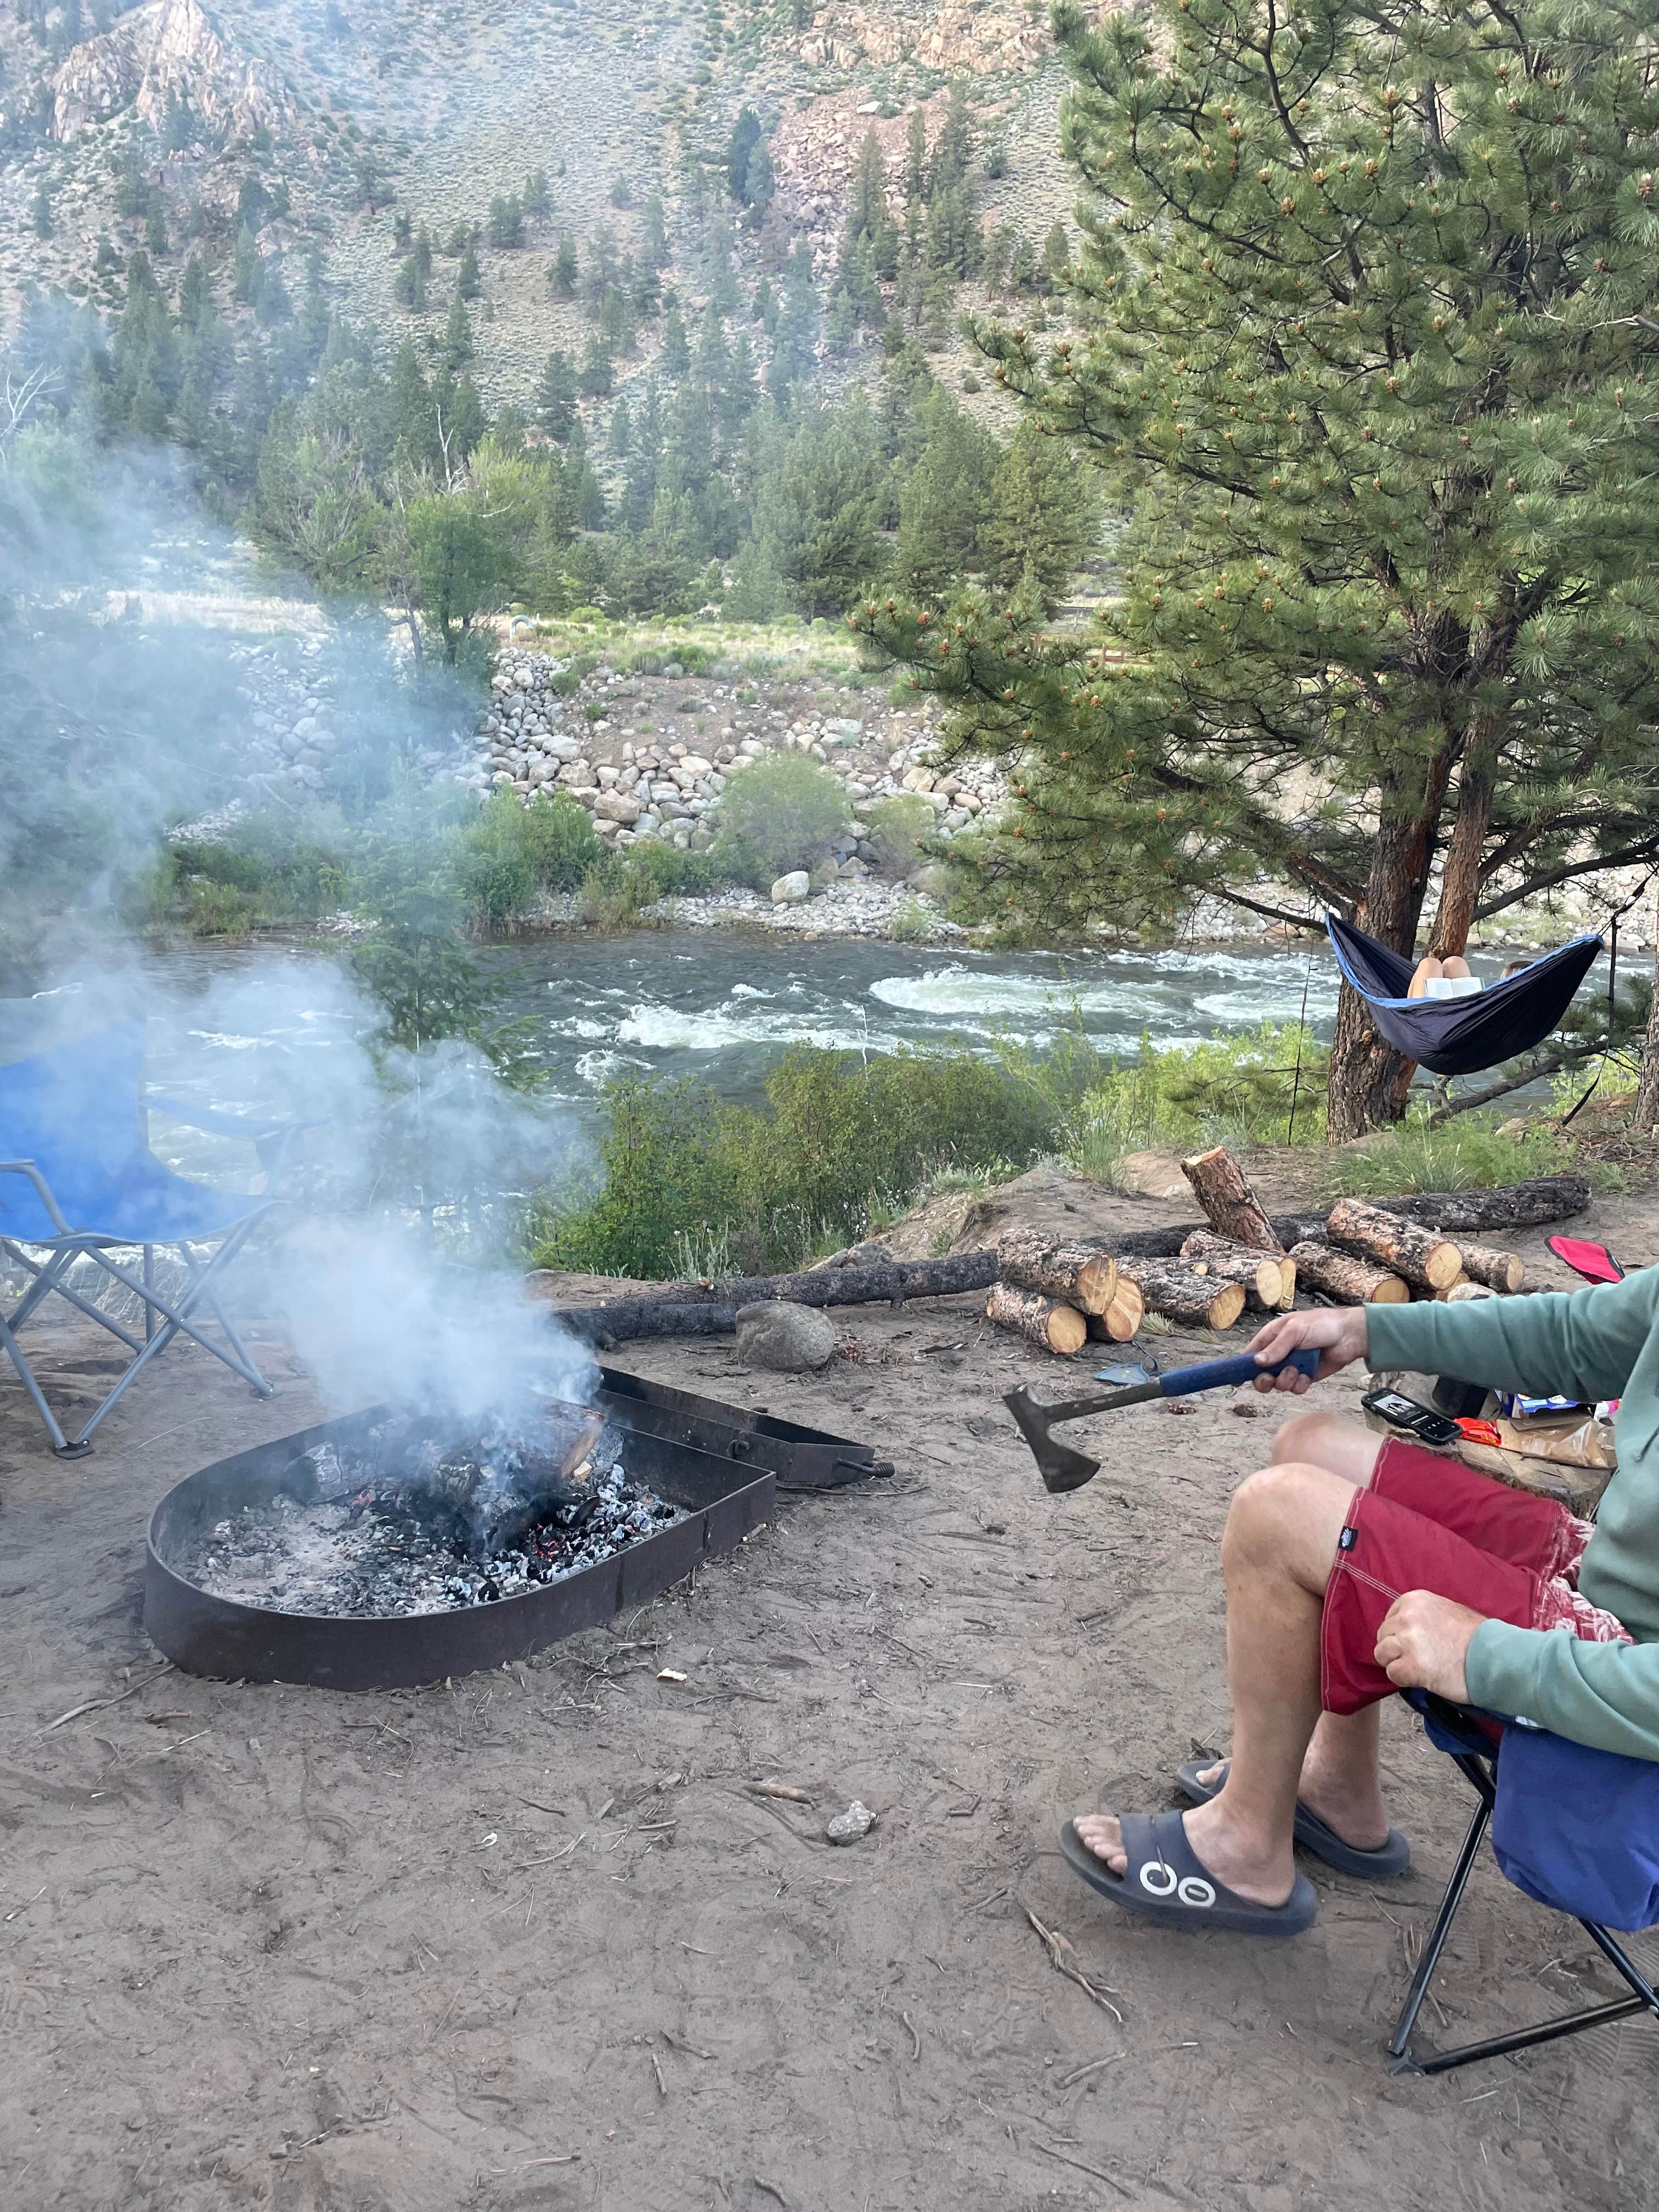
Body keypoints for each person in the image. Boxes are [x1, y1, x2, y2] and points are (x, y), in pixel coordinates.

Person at [1065, 1270, 1659, 1935]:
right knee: (1313, 1446)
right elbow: (1573, 1338)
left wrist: (1486, 1656)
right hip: (1599, 1574)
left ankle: (1246, 1849)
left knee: (1278, 1513)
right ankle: (1337, 1787)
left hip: (1623, 1680)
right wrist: (1367, 1329)